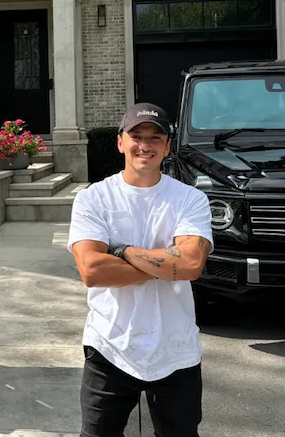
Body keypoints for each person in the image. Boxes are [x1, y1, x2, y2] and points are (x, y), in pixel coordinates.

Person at [67, 102, 214, 437]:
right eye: (136, 136)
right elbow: (92, 270)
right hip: (110, 345)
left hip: (175, 348)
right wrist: (168, 264)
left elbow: (191, 264)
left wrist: (122, 252)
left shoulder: (190, 199)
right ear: (120, 142)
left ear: (167, 146)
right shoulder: (93, 199)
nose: (144, 145)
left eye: (155, 137)